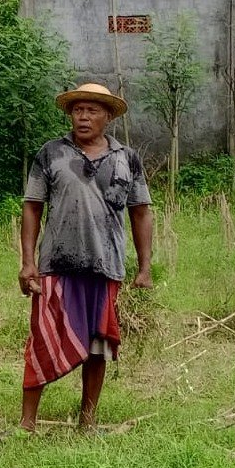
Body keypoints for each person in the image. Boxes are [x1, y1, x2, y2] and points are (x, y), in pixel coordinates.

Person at [16, 82, 153, 433]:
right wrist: (28, 262)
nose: (83, 116)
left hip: (106, 267)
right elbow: (32, 207)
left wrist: (145, 267)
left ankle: (87, 420)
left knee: (98, 345)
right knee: (43, 340)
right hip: (56, 266)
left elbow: (141, 212)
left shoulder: (126, 158)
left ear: (108, 117)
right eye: (78, 110)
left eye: (92, 110)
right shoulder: (52, 153)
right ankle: (27, 424)